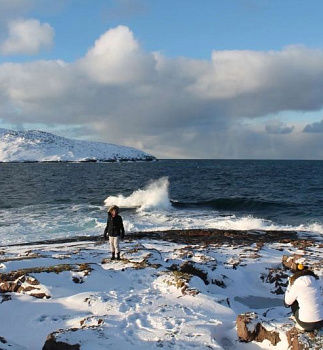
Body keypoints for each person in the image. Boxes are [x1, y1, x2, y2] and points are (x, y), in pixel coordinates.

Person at [285, 263, 323, 332]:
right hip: (321, 322)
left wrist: (289, 286)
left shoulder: (297, 285)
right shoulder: (317, 281)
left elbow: (287, 302)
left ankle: (300, 324)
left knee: (293, 302)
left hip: (306, 324)